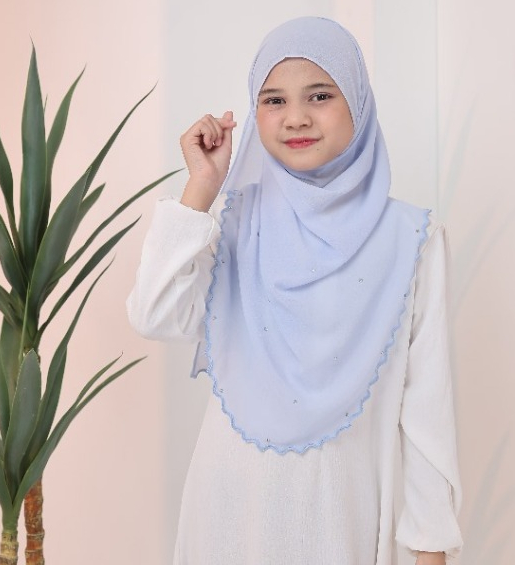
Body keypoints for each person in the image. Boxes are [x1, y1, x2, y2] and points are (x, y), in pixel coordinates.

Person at [127, 16, 463, 565]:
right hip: (226, 518)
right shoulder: (232, 224)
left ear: (358, 101)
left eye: (320, 95)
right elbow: (154, 314)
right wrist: (201, 189)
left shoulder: (413, 240)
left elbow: (428, 415)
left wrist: (430, 549)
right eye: (274, 100)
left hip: (342, 521)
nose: (296, 117)